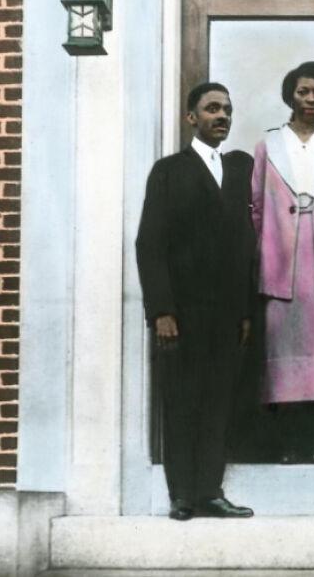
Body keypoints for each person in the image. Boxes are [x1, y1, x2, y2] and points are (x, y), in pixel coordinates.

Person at [136, 82, 256, 521]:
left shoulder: (239, 172)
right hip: (181, 314)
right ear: (192, 118)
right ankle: (182, 495)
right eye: (211, 108)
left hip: (226, 314)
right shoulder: (169, 171)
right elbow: (150, 244)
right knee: (182, 400)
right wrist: (161, 310)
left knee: (218, 401)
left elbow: (245, 244)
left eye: (226, 108)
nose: (221, 115)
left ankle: (210, 491)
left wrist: (244, 311)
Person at [251, 61, 314, 462]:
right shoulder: (268, 145)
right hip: (282, 262)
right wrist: (264, 253)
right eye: (303, 92)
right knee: (284, 357)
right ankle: (288, 444)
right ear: (290, 95)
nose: (311, 99)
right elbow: (257, 206)